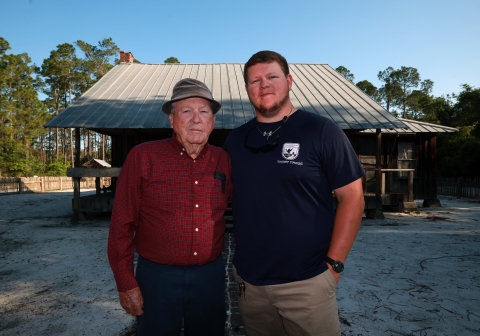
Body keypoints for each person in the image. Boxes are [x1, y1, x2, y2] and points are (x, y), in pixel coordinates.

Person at [223, 51, 365, 336]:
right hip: (251, 284)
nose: (263, 85)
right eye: (254, 81)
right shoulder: (235, 140)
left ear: (289, 81)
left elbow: (352, 197)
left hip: (308, 282)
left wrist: (334, 266)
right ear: (247, 88)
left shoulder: (322, 130)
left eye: (272, 77)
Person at [107, 78, 232, 336]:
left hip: (210, 277)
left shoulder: (224, 160)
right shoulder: (143, 157)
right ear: (172, 120)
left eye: (204, 111)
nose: (196, 119)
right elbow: (122, 222)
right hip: (157, 278)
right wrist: (125, 282)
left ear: (213, 121)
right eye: (186, 111)